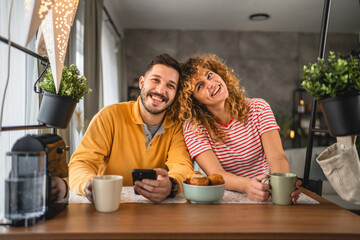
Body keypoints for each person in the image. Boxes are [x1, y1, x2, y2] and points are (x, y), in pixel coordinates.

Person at [68, 54, 193, 203]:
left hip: (155, 210)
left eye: (170, 85)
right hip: (109, 204)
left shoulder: (178, 127)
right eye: (155, 80)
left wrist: (171, 185)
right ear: (141, 82)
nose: (160, 90)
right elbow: (82, 162)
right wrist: (87, 183)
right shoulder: (109, 116)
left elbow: (182, 166)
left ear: (175, 94)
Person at [178, 54, 301, 203]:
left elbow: (277, 157)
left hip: (269, 191)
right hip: (230, 201)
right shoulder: (194, 128)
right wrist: (248, 186)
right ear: (194, 101)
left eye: (209, 75)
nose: (210, 84)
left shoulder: (259, 108)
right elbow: (217, 173)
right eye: (200, 86)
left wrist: (282, 188)